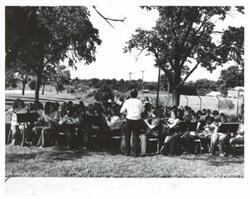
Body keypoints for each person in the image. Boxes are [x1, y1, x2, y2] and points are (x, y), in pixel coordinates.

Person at [120, 89, 144, 157]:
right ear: (136, 95)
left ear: (130, 95)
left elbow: (121, 111)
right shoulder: (139, 102)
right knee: (135, 136)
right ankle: (135, 153)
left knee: (127, 136)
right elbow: (142, 111)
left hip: (129, 119)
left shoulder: (127, 101)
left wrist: (127, 113)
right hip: (137, 119)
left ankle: (127, 152)